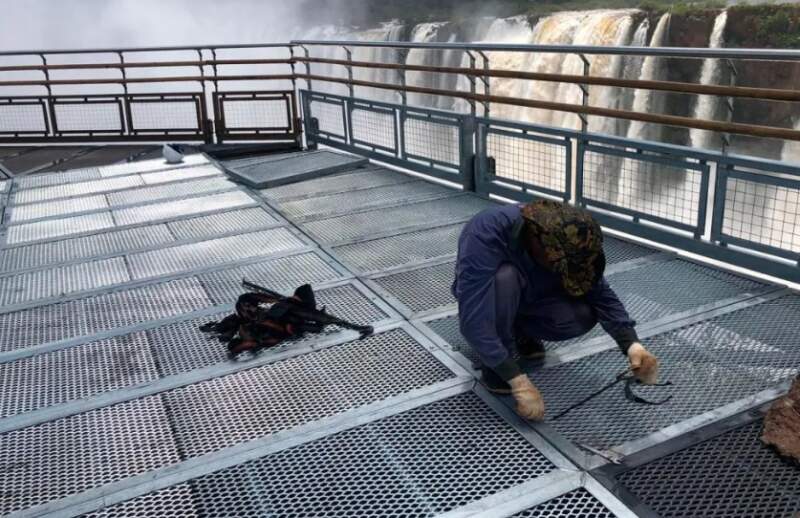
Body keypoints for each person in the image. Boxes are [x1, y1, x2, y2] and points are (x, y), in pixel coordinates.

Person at [451, 199, 659, 421]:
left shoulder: (571, 235)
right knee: (505, 278)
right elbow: (473, 321)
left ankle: (522, 334)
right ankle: (498, 360)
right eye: (561, 267)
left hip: (534, 293)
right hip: (492, 297)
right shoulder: (486, 232)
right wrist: (516, 380)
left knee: (581, 316)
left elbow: (601, 294)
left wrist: (632, 345)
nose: (566, 271)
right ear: (538, 243)